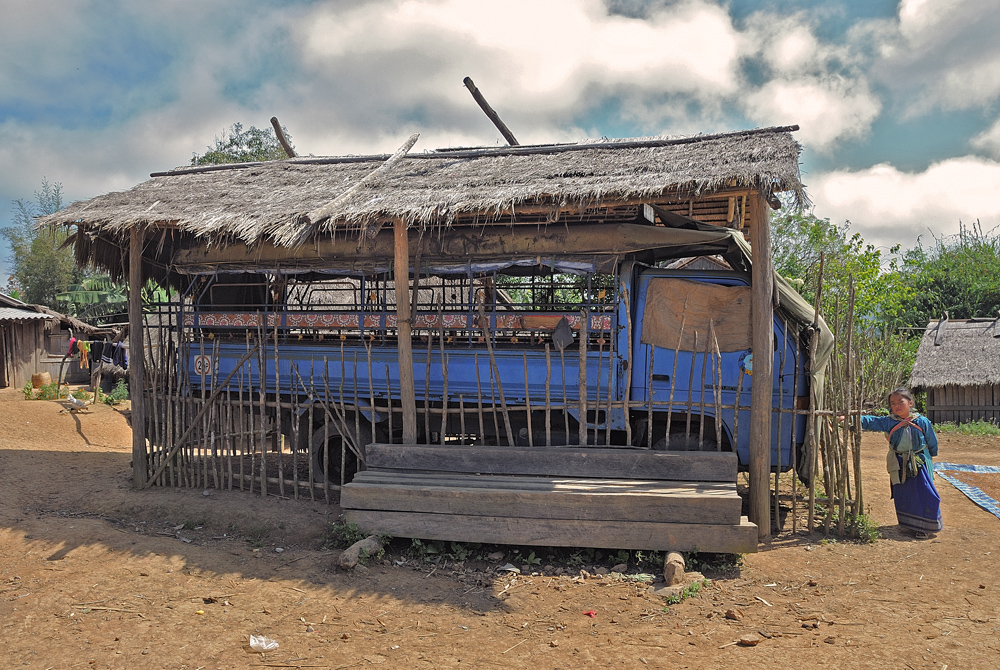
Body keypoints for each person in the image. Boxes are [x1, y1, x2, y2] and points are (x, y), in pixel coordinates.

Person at [856, 387, 942, 538]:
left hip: (919, 462)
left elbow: (931, 440)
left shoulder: (922, 421)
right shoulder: (889, 422)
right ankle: (910, 525)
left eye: (900, 401)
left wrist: (931, 455)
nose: (896, 405)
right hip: (898, 462)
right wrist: (851, 419)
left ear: (910, 403)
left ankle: (925, 526)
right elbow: (871, 421)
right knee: (905, 494)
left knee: (926, 493)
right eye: (892, 403)